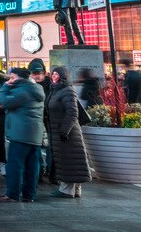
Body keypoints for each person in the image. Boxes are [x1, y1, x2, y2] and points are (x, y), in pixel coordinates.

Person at [0, 67, 45, 202]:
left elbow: (5, 102)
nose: (10, 80)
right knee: (32, 167)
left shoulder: (22, 91)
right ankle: (29, 195)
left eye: (12, 77)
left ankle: (12, 194)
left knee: (15, 165)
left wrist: (4, 87)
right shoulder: (38, 89)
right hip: (35, 134)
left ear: (20, 78)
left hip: (20, 134)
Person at [47, 67, 91, 198]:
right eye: (53, 74)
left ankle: (66, 189)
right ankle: (74, 189)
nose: (54, 76)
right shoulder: (55, 90)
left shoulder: (67, 91)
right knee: (72, 160)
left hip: (67, 133)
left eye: (57, 74)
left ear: (63, 77)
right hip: (61, 131)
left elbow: (72, 112)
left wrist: (64, 130)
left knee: (69, 160)